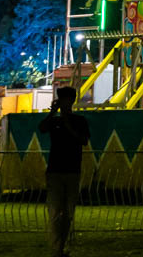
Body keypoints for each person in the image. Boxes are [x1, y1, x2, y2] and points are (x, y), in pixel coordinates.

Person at [39, 86, 90, 257]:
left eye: (66, 99)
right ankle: (57, 249)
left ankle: (61, 245)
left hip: (72, 170)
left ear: (72, 100)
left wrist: (68, 126)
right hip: (55, 171)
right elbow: (42, 128)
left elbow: (84, 140)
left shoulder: (80, 121)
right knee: (54, 212)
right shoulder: (54, 121)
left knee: (68, 213)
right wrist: (52, 113)